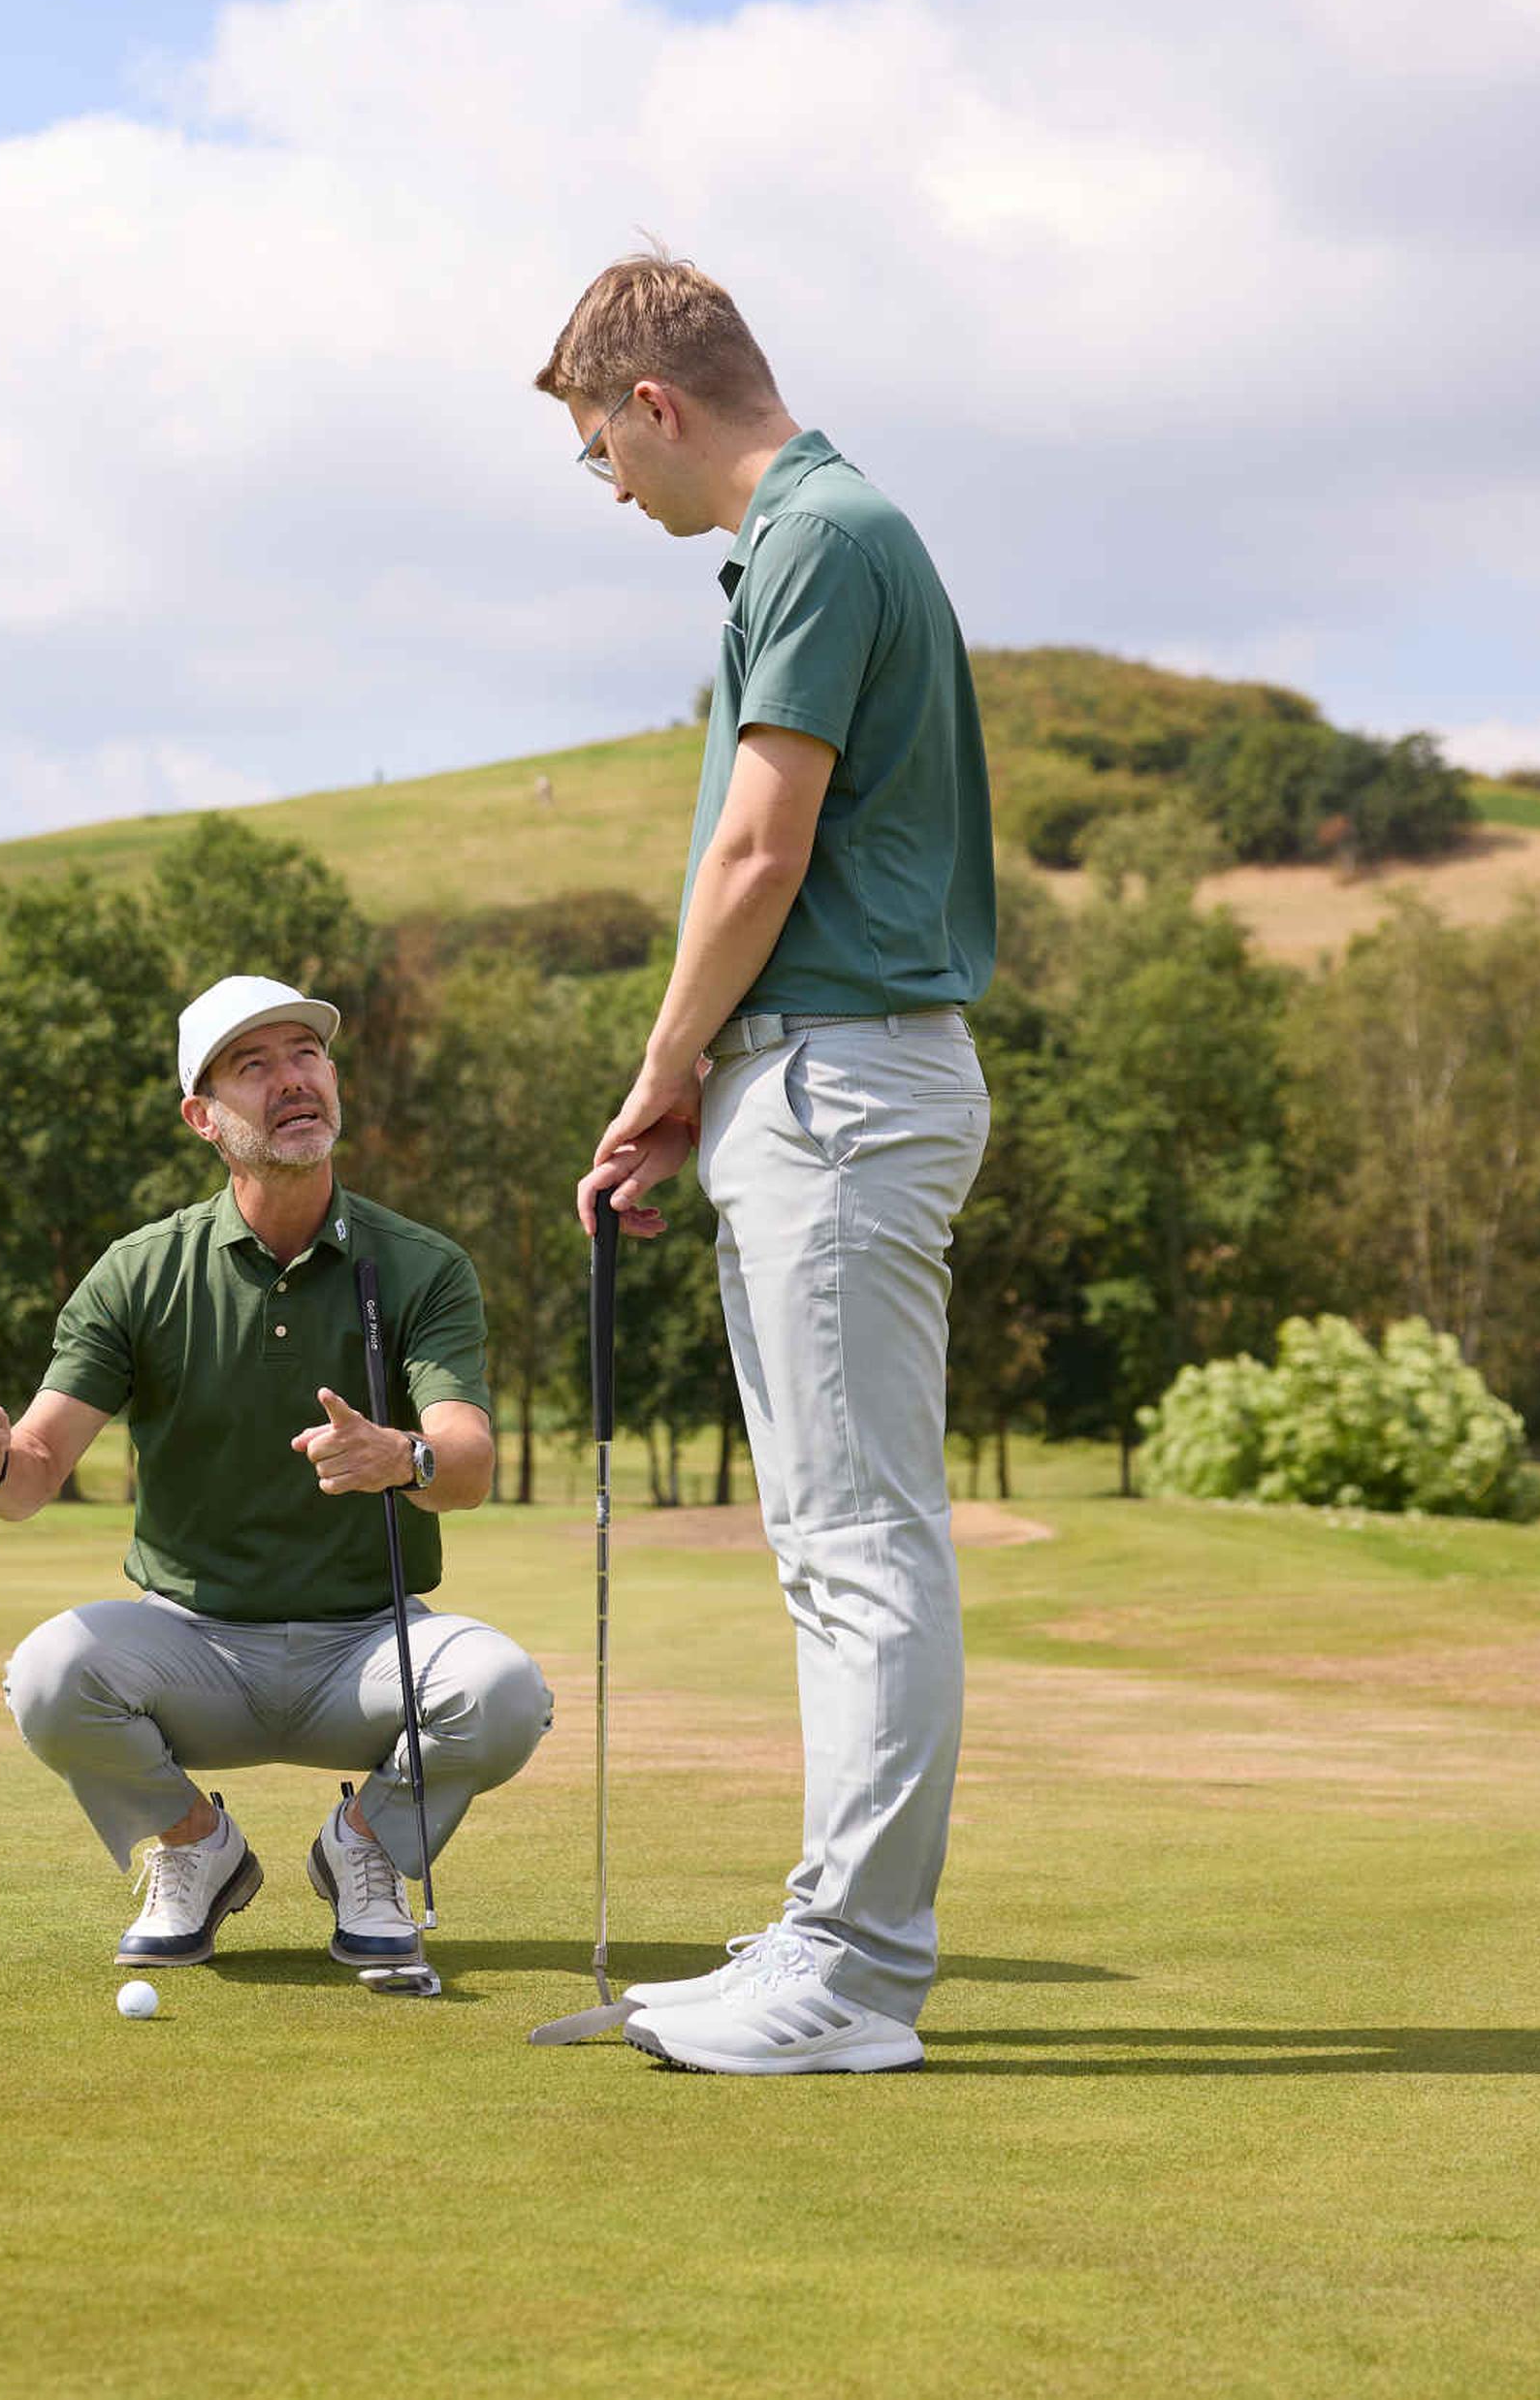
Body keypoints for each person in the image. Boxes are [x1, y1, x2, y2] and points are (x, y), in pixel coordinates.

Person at [542, 250, 997, 2075]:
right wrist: (699, 1091)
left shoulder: (815, 535)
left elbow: (758, 851)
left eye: (599, 451)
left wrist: (664, 1069)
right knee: (835, 1546)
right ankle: (833, 1933)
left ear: (655, 404)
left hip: (841, 1085)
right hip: (817, 1085)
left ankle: (859, 1972)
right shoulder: (822, 535)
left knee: (858, 1545)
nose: (612, 489)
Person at [0, 976, 553, 1972]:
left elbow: (467, 1465)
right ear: (204, 1118)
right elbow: (32, 1474)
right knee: (48, 1675)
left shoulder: (420, 1265)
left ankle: (364, 1849)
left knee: (506, 1691)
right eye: (253, 1066)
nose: (291, 1080)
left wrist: (402, 1457)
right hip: (191, 1646)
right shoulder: (142, 1272)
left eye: (305, 1055)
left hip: (367, 1641)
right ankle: (196, 1849)